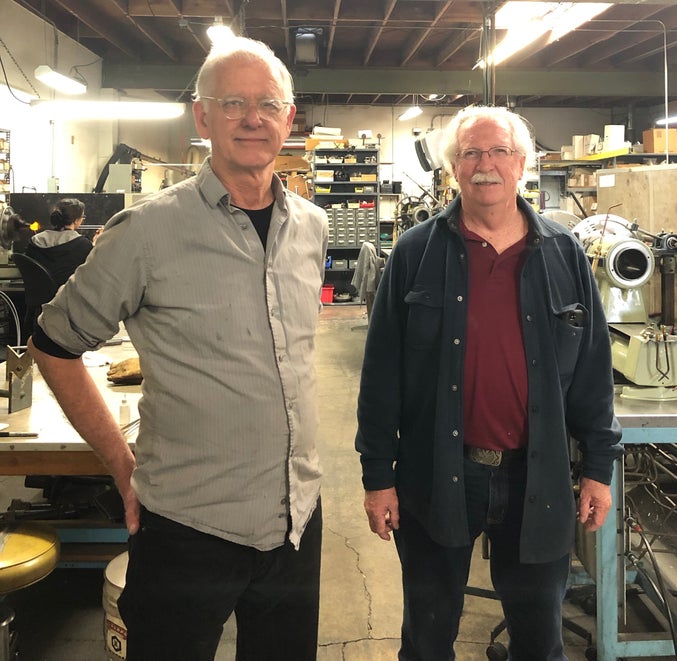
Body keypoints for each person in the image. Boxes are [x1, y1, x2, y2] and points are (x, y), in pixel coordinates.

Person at [28, 36, 328, 661]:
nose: (253, 118)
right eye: (233, 103)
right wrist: (118, 461)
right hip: (189, 527)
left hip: (296, 520)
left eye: (269, 104)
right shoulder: (146, 231)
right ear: (202, 116)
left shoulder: (312, 227)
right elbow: (54, 343)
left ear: (289, 119)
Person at [355, 105, 623, 661]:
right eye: (471, 153)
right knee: (428, 636)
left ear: (521, 163)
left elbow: (593, 371)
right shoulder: (414, 254)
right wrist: (378, 476)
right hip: (436, 472)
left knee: (539, 638)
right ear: (454, 168)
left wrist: (599, 467)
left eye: (499, 151)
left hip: (538, 476)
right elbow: (382, 376)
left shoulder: (564, 253)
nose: (485, 165)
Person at [24, 198, 95, 286]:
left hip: (37, 297)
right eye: (82, 217)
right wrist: (97, 244)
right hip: (67, 297)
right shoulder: (84, 245)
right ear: (76, 220)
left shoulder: (35, 241)